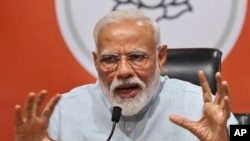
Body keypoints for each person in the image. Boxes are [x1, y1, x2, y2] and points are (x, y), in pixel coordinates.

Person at [14, 8, 238, 141]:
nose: (123, 72)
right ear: (96, 61)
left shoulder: (199, 103)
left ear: (161, 57)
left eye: (136, 57)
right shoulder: (64, 111)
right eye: (110, 59)